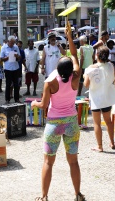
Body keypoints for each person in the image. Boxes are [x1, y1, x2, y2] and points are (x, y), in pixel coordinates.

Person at [31, 23, 85, 201]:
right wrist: (69, 36)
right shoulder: (75, 77)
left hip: (54, 124)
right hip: (71, 123)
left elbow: (44, 105)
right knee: (73, 162)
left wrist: (35, 104)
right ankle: (77, 194)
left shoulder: (50, 81)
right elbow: (74, 55)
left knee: (48, 162)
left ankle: (44, 196)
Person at [83, 46, 115, 152]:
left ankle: (99, 146)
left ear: (96, 55)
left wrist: (87, 76)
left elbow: (86, 84)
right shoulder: (111, 65)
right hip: (107, 97)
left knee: (97, 123)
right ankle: (112, 143)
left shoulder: (91, 68)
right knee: (108, 121)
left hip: (95, 98)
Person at [0, 35, 21, 104]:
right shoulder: (4, 47)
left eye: (13, 43)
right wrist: (7, 57)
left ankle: (17, 99)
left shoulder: (16, 47)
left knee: (16, 84)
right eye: (11, 43)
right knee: (8, 84)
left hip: (15, 68)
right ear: (8, 42)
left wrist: (17, 56)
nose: (12, 44)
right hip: (8, 68)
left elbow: (20, 57)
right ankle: (7, 99)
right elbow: (1, 58)